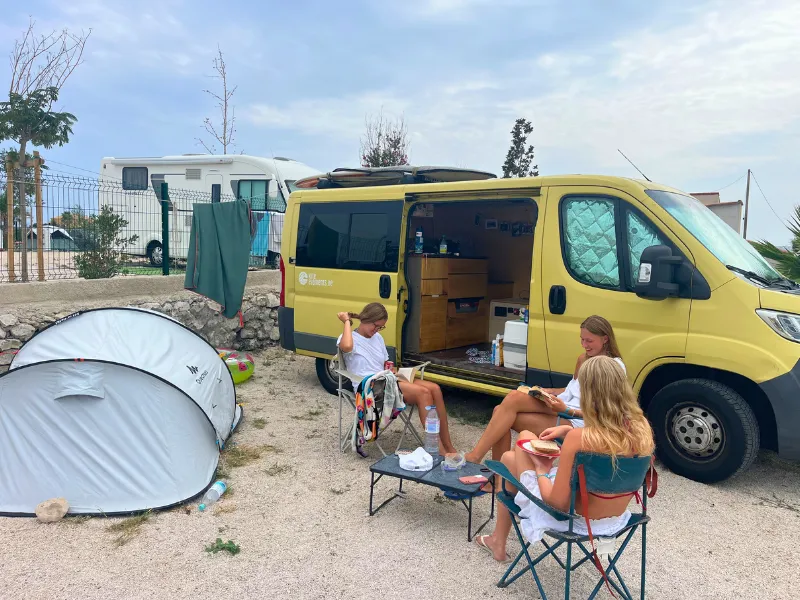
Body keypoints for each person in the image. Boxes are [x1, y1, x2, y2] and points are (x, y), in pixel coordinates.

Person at [474, 355, 655, 563]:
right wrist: (567, 427)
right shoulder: (642, 429)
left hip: (573, 520)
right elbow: (608, 432)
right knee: (509, 456)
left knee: (520, 445)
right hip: (617, 519)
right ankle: (497, 539)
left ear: (589, 393)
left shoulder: (578, 438)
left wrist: (542, 468)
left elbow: (557, 504)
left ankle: (498, 540)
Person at [464, 315, 624, 466]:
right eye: (582, 339)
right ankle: (489, 469)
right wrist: (549, 391)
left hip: (580, 420)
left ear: (605, 339)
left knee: (502, 414)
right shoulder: (583, 359)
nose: (584, 345)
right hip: (563, 407)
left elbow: (607, 413)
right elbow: (573, 390)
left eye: (589, 340)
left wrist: (567, 410)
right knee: (509, 401)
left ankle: (486, 467)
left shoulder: (613, 367)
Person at [337, 302, 457, 454]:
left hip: (387, 378)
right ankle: (439, 451)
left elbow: (385, 363)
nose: (377, 330)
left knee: (435, 388)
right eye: (376, 326)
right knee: (423, 393)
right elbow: (346, 347)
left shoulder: (378, 338)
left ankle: (449, 446)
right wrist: (347, 321)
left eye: (381, 327)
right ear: (365, 318)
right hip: (370, 386)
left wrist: (394, 370)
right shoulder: (348, 338)